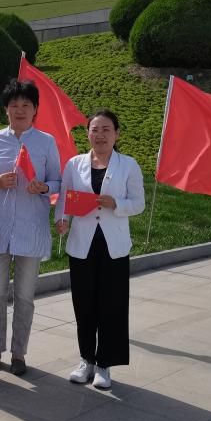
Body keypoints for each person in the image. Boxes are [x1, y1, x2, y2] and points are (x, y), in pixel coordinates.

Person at [0, 79, 61, 376]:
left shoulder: (46, 142)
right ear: (6, 109)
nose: (20, 110)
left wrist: (44, 187)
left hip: (30, 229)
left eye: (26, 105)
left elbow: (58, 180)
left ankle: (19, 354)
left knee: (25, 297)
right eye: (14, 105)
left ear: (35, 109)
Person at [55, 110, 145, 389]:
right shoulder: (74, 164)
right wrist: (61, 220)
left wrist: (116, 203)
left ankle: (105, 364)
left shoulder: (128, 165)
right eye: (94, 130)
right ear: (88, 134)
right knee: (84, 304)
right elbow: (65, 197)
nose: (100, 135)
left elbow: (138, 203)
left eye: (106, 129)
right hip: (82, 244)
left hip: (113, 246)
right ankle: (87, 360)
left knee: (112, 304)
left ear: (117, 133)